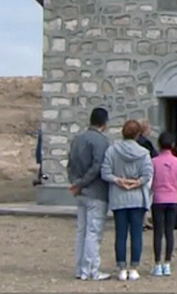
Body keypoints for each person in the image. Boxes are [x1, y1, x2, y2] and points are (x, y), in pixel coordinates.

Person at [101, 120, 154, 281]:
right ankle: (134, 268)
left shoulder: (112, 150)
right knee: (137, 233)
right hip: (137, 196)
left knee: (121, 234)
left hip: (119, 196)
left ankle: (121, 267)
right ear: (138, 134)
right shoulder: (144, 152)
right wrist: (136, 182)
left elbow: (105, 172)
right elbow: (147, 174)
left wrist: (118, 181)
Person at [67, 107, 111, 281]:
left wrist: (76, 183)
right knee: (93, 232)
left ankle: (80, 269)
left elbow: (70, 164)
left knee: (82, 231)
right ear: (104, 122)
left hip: (80, 191)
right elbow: (97, 166)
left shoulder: (78, 139)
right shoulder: (101, 141)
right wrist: (82, 183)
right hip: (95, 191)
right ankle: (91, 270)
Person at [149, 132, 177, 277]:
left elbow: (149, 182)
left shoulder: (154, 161)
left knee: (158, 232)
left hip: (158, 199)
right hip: (172, 199)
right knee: (169, 232)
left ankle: (157, 263)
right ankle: (167, 263)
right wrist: (175, 192)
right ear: (173, 145)